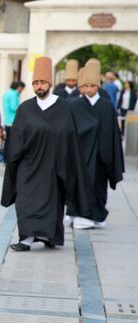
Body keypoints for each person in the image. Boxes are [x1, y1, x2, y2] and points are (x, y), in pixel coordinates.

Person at [2, 57, 90, 251]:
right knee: (25, 202)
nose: (39, 86)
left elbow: (70, 136)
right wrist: (13, 163)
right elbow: (16, 138)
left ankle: (49, 236)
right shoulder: (25, 108)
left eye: (42, 82)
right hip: (28, 165)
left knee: (52, 204)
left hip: (53, 166)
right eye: (35, 83)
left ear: (49, 83)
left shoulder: (63, 107)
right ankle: (26, 239)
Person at [67, 59, 124, 230]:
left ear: (98, 86)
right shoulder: (75, 105)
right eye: (87, 86)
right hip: (80, 156)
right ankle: (79, 214)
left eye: (93, 86)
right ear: (82, 87)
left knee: (98, 187)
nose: (90, 89)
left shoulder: (106, 107)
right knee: (78, 185)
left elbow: (112, 134)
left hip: (100, 157)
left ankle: (96, 215)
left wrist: (109, 158)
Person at [2, 80, 24, 163]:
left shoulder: (6, 94)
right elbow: (14, 107)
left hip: (7, 121)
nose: (21, 91)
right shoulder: (14, 95)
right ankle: (9, 158)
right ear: (19, 87)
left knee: (7, 141)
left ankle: (5, 158)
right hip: (13, 121)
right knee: (12, 142)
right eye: (22, 89)